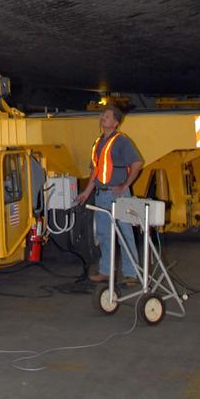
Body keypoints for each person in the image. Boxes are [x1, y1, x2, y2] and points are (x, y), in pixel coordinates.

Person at [76, 104, 143, 283]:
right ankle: (106, 271)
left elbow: (137, 163)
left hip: (118, 195)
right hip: (101, 195)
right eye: (102, 115)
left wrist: (125, 185)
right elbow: (95, 171)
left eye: (107, 116)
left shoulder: (122, 141)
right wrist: (87, 192)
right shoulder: (97, 143)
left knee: (125, 235)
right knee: (104, 235)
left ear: (115, 123)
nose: (103, 117)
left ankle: (131, 274)